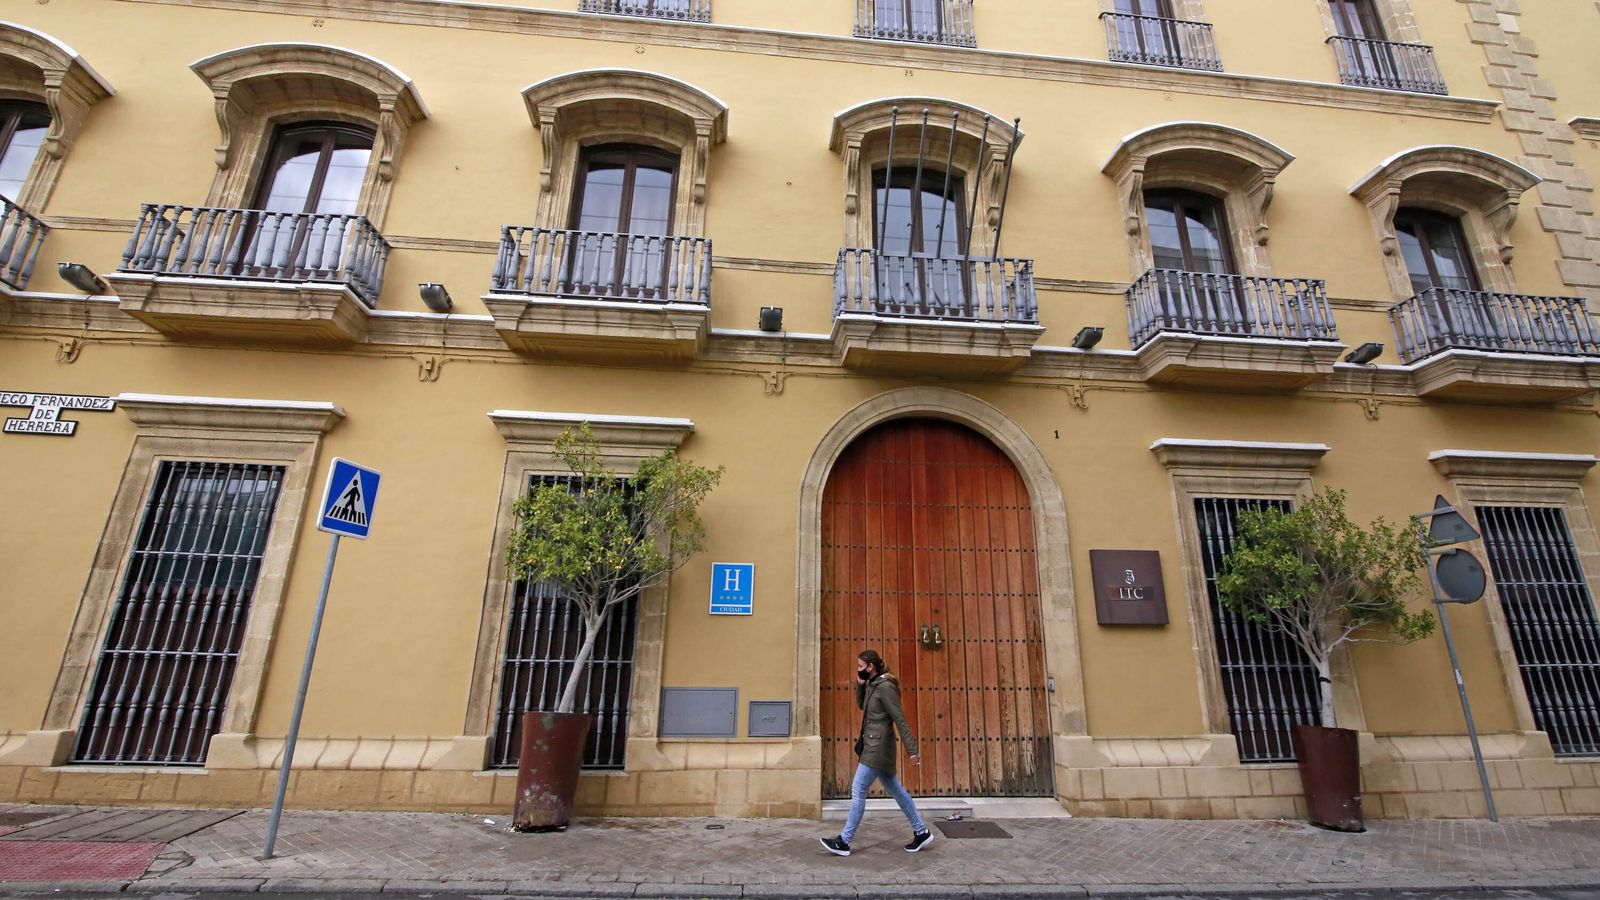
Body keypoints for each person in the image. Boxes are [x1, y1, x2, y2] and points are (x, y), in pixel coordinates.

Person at [819, 649, 934, 856]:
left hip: (878, 747)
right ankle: (921, 831)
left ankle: (844, 841)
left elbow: (899, 718)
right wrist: (860, 685)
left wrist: (912, 750)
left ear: (870, 667)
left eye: (861, 667)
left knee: (858, 788)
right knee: (896, 789)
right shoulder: (874, 684)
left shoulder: (886, 687)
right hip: (872, 744)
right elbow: (862, 705)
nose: (859, 669)